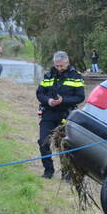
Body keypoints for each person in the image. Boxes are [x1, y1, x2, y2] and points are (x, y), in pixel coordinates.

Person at [36, 51, 85, 179]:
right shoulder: (48, 75)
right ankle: (48, 171)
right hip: (49, 113)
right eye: (57, 66)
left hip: (66, 114)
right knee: (43, 142)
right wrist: (48, 101)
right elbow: (40, 93)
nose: (59, 69)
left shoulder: (76, 76)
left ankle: (66, 173)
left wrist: (64, 100)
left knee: (64, 145)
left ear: (67, 63)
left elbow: (80, 97)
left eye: (61, 66)